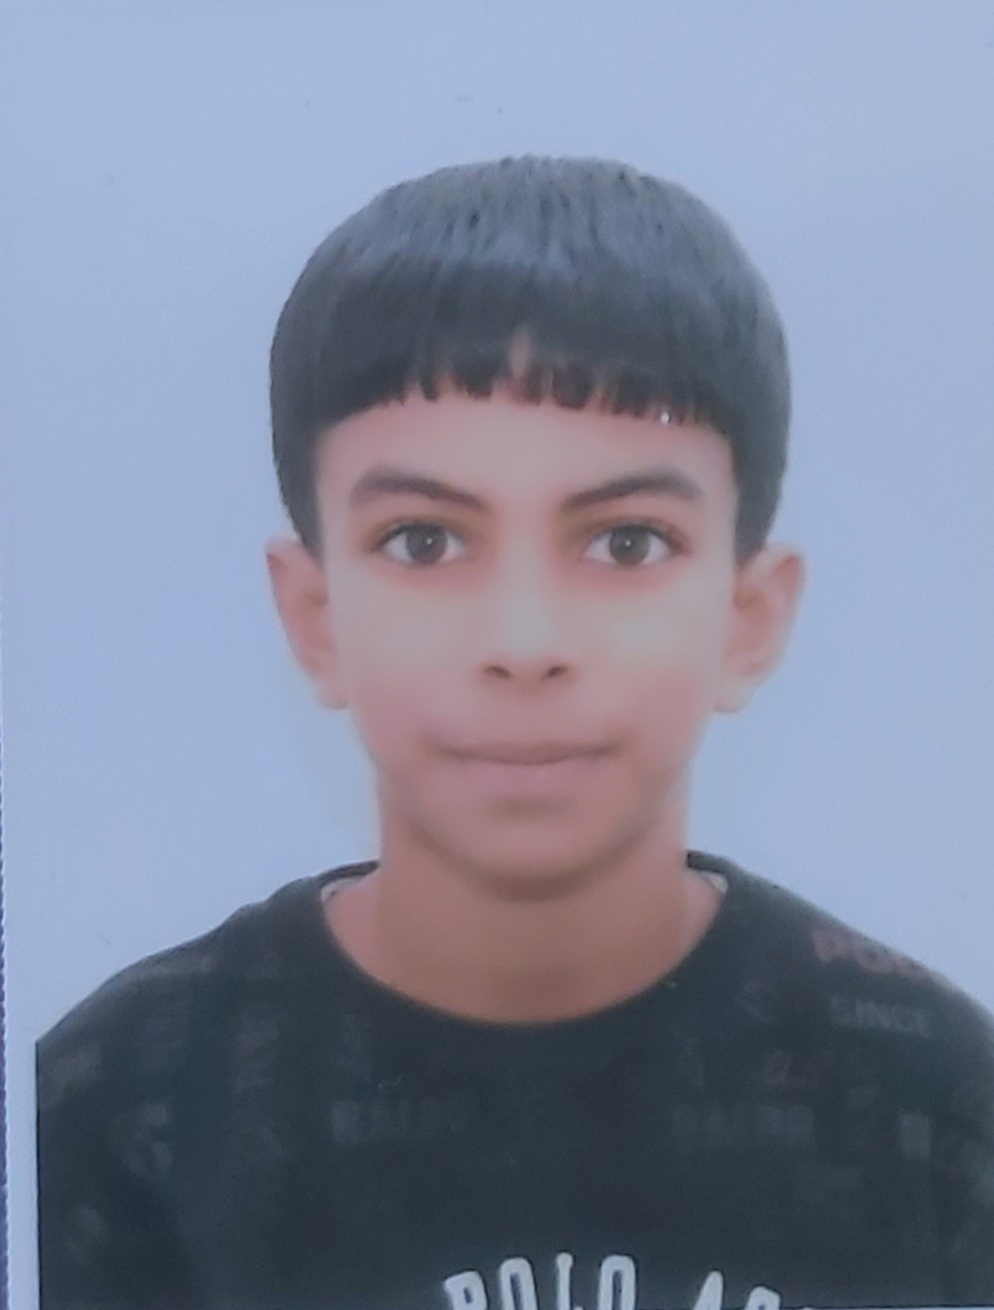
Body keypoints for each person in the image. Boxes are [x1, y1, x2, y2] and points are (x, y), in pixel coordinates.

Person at [37, 156, 994, 1310]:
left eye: (626, 542)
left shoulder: (934, 1099)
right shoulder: (111, 1110)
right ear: (314, 615)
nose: (524, 640)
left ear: (749, 617)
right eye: (424, 541)